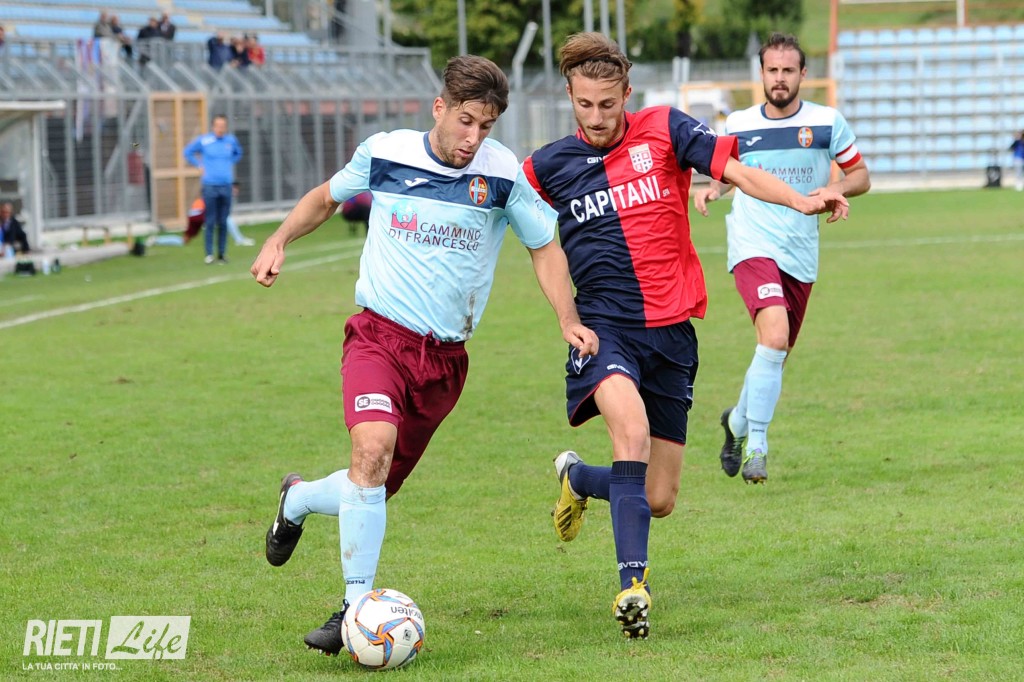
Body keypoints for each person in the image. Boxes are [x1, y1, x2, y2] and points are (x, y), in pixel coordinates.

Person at [252, 54, 598, 656]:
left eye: (485, 126)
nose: (473, 138)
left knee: (373, 486)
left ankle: (298, 499)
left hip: (443, 362)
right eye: (465, 121)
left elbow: (544, 246)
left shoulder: (502, 175)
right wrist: (279, 238)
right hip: (378, 337)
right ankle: (355, 610)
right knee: (371, 450)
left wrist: (567, 318)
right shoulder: (385, 153)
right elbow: (326, 198)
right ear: (439, 108)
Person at [523, 32, 848, 639]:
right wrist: (568, 318)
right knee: (631, 434)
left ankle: (578, 478)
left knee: (659, 496)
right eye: (585, 104)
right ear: (570, 95)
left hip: (672, 334)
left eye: (608, 104)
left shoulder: (666, 129)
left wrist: (800, 202)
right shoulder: (547, 166)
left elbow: (739, 172)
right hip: (604, 331)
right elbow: (530, 238)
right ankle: (633, 587)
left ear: (627, 93)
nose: (596, 117)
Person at [694, 33, 871, 484]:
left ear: (803, 74)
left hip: (800, 251)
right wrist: (714, 189)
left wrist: (836, 188)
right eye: (772, 70)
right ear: (761, 73)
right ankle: (757, 445)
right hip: (752, 243)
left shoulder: (827, 122)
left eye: (788, 70)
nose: (779, 78)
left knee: (775, 353)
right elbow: (730, 173)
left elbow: (860, 175)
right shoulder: (737, 123)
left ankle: (736, 422)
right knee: (773, 337)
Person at [183, 114, 243, 263]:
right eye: (218, 126)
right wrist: (199, 165)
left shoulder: (230, 140)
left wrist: (227, 163)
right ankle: (209, 254)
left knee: (223, 221)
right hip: (210, 185)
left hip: (226, 185)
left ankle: (222, 254)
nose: (220, 128)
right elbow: (188, 152)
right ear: (213, 126)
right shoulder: (205, 140)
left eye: (223, 126)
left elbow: (238, 153)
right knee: (209, 220)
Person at [183, 184, 254, 247]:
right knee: (227, 219)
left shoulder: (205, 199)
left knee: (186, 238)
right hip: (200, 215)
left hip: (197, 216)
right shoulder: (206, 200)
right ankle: (238, 240)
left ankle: (238, 239)